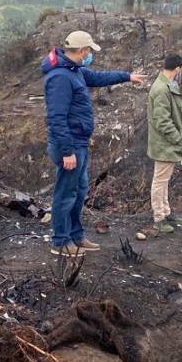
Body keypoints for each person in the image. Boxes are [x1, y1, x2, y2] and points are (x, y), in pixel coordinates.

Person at [42, 30, 146, 256]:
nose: (90, 54)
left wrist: (127, 77)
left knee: (79, 191)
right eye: (89, 50)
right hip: (68, 146)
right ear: (81, 51)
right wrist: (67, 151)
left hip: (79, 142)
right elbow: (56, 118)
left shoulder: (75, 70)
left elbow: (99, 78)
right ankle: (60, 241)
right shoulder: (60, 77)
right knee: (65, 193)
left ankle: (76, 236)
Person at [146, 54, 182, 234]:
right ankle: (159, 218)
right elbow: (162, 121)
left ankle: (166, 213)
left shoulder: (167, 86)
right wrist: (178, 138)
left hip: (167, 144)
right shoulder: (161, 89)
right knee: (160, 181)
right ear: (178, 69)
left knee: (163, 180)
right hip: (164, 145)